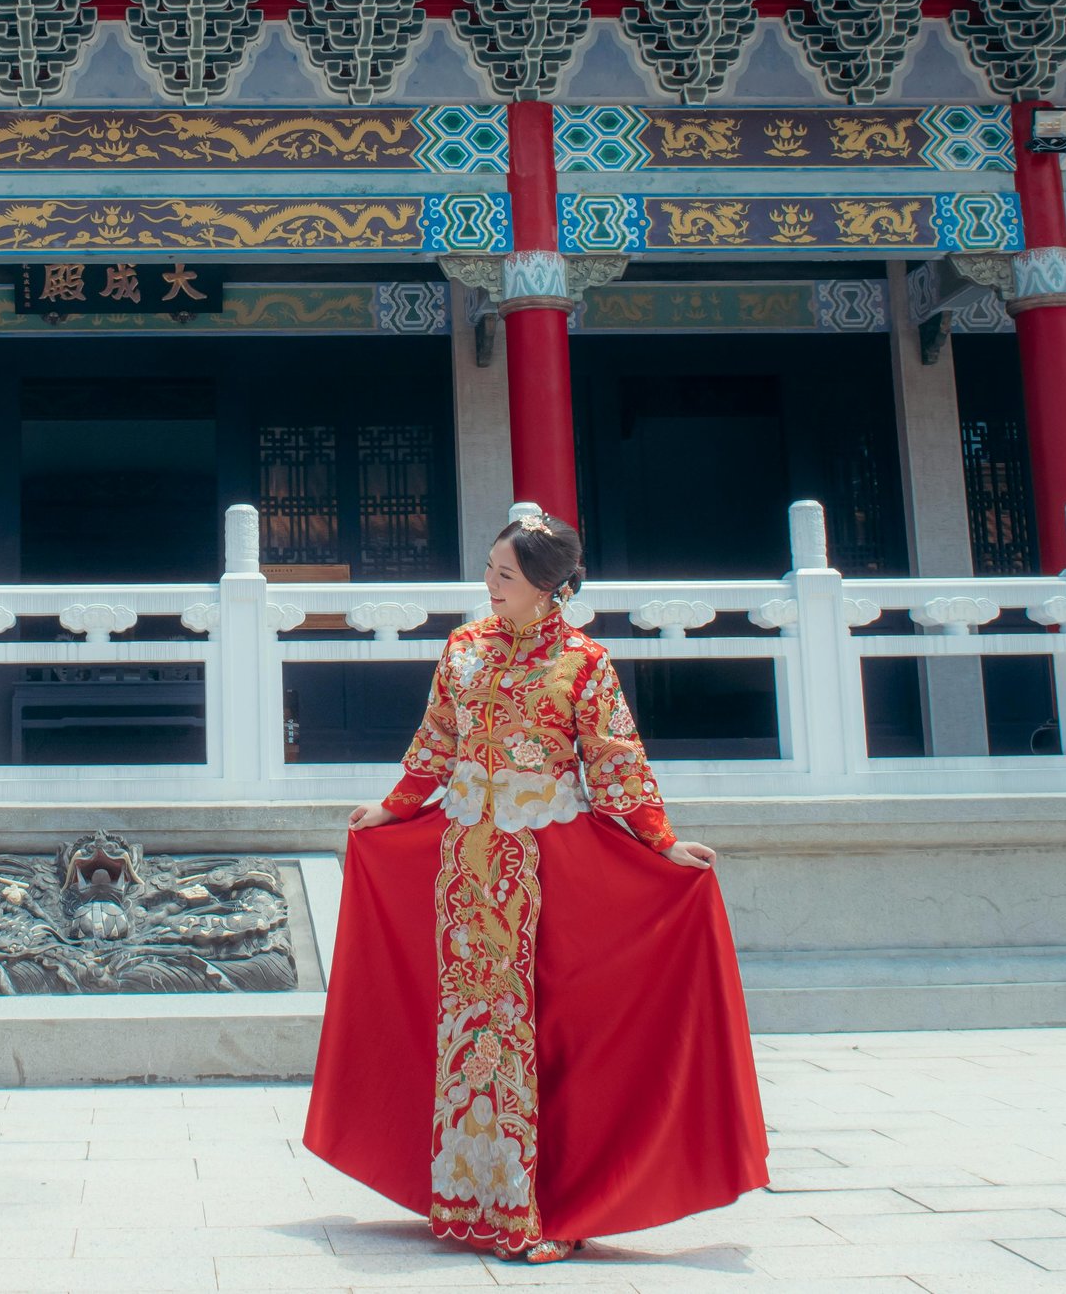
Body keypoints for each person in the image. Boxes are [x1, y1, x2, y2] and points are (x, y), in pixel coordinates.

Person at [303, 512, 769, 1265]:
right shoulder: (461, 650)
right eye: (489, 569)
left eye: (505, 575)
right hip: (463, 865)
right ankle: (468, 1198)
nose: (490, 584)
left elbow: (616, 763)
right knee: (464, 1026)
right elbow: (436, 742)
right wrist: (393, 807)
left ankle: (545, 1201)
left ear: (549, 586)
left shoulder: (583, 664)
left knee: (547, 1033)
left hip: (544, 871)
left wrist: (661, 840)